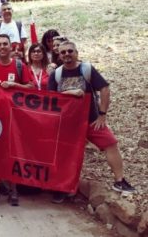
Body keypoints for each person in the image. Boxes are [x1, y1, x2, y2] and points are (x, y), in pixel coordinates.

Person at [48, 41, 136, 202]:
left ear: (76, 52)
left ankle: (120, 181)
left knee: (111, 144)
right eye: (63, 52)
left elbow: (105, 88)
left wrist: (102, 114)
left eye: (70, 51)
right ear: (59, 56)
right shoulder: (56, 74)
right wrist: (71, 93)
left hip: (91, 120)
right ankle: (62, 187)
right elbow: (50, 99)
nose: (67, 54)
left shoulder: (86, 69)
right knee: (64, 155)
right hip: (67, 124)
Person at [0, 34, 33, 208]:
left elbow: (30, 87)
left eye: (5, 44)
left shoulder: (19, 66)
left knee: (13, 153)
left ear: (11, 47)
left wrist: (14, 86)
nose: (2, 47)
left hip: (15, 118)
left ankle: (13, 188)